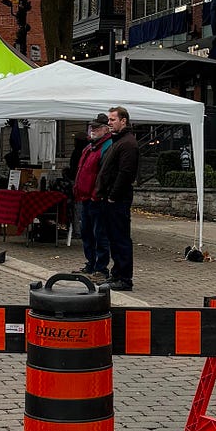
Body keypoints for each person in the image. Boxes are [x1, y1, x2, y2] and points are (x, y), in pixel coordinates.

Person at [94, 106, 139, 292]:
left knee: (120, 238)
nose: (109, 123)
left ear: (123, 121)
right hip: (109, 198)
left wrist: (113, 196)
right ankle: (117, 273)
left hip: (117, 200)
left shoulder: (127, 143)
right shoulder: (118, 141)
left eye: (113, 120)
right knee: (113, 238)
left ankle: (124, 278)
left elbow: (125, 173)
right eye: (109, 120)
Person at [72, 113, 114, 282]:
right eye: (92, 127)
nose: (93, 130)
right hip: (85, 196)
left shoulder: (107, 146)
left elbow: (105, 174)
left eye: (96, 128)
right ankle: (91, 263)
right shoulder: (90, 147)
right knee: (87, 232)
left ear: (105, 129)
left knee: (99, 234)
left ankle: (101, 268)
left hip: (96, 198)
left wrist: (98, 194)